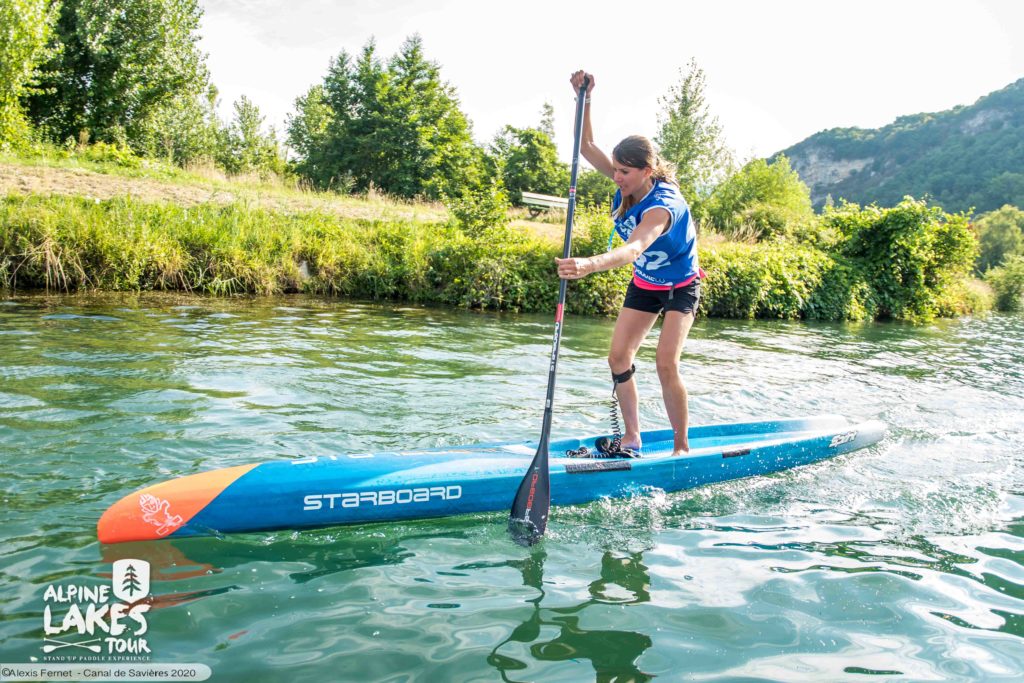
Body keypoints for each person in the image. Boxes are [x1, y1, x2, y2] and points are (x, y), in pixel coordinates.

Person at [556, 70, 703, 456]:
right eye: (616, 169)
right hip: (647, 284)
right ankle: (633, 437)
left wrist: (589, 264)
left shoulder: (662, 207)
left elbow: (634, 248)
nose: (615, 176)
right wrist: (583, 98)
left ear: (646, 172)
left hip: (679, 286)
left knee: (665, 362)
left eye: (623, 172)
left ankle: (681, 447)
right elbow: (587, 146)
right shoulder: (628, 181)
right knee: (618, 356)